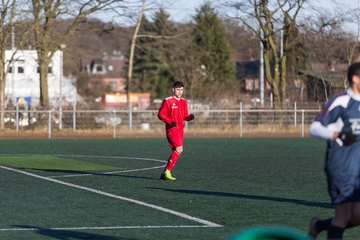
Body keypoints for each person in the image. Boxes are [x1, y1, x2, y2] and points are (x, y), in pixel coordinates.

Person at [308, 62, 360, 240]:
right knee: (343, 216)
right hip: (341, 169)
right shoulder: (340, 102)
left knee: (357, 217)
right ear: (355, 79)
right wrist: (335, 134)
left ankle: (318, 225)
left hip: (358, 170)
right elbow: (314, 128)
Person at [157, 80, 194, 180]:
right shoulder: (167, 101)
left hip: (180, 130)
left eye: (181, 90)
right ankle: (168, 171)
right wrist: (169, 121)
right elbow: (160, 114)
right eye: (178, 90)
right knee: (179, 149)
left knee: (176, 151)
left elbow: (185, 116)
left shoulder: (184, 102)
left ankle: (165, 172)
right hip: (171, 129)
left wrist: (189, 117)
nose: (180, 92)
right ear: (173, 90)